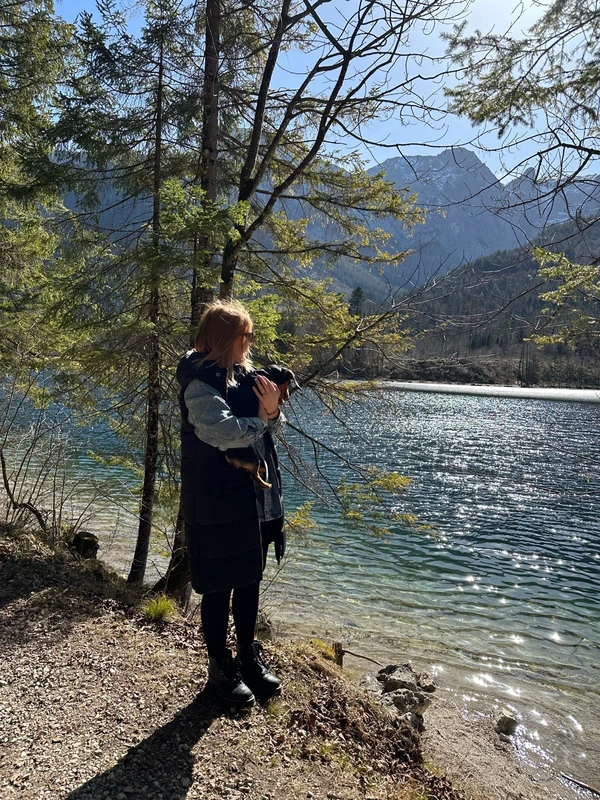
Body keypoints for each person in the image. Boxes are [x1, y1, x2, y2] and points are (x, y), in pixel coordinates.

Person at [176, 299, 287, 707]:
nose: (250, 342)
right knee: (219, 585)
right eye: (246, 335)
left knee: (249, 579)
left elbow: (272, 424)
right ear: (226, 338)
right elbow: (222, 432)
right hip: (217, 501)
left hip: (253, 499)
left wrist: (271, 412)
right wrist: (266, 416)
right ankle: (219, 666)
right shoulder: (199, 381)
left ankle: (246, 657)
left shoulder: (240, 375)